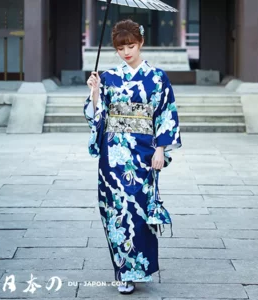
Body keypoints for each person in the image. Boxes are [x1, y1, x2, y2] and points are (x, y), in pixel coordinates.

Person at [84, 19, 182, 295]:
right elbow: (97, 115)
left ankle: (140, 265)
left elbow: (166, 113)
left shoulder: (157, 77)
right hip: (113, 153)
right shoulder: (109, 76)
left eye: (131, 45)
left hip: (144, 151)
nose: (126, 52)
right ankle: (123, 272)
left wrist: (161, 148)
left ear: (140, 44)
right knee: (114, 210)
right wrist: (94, 91)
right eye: (121, 47)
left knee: (139, 210)